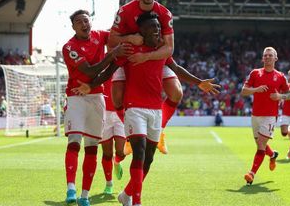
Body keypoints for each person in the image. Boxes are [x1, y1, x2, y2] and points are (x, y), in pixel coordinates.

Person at [73, 11, 219, 206]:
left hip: (156, 110)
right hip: (134, 109)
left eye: (158, 27)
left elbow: (176, 69)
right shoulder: (130, 50)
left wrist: (199, 82)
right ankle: (137, 202)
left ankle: (126, 195)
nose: (157, 30)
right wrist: (90, 86)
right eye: (152, 27)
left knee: (148, 159)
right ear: (141, 30)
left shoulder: (162, 50)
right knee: (140, 153)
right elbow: (109, 71)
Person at [108, 0, 184, 154]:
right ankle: (129, 136)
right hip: (128, 56)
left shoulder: (164, 13)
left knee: (176, 92)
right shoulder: (125, 11)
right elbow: (112, 40)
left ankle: (160, 130)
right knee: (117, 97)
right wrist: (131, 39)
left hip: (154, 58)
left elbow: (169, 49)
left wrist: (147, 57)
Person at [62, 9, 131, 206]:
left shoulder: (101, 36)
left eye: (86, 20)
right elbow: (91, 70)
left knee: (92, 147)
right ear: (73, 26)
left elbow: (118, 37)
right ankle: (71, 189)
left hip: (97, 98)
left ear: (90, 22)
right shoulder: (69, 47)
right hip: (76, 96)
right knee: (74, 141)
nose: (84, 24)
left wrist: (132, 31)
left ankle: (84, 195)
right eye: (78, 21)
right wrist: (112, 55)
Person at [240, 47, 290, 185]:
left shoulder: (280, 76)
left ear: (276, 58)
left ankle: (251, 174)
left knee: (261, 145)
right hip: (255, 115)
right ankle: (273, 155)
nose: (267, 57)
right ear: (262, 58)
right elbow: (243, 91)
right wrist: (256, 89)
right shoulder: (255, 73)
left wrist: (280, 96)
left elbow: (289, 94)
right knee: (260, 144)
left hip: (270, 116)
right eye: (265, 55)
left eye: (270, 55)